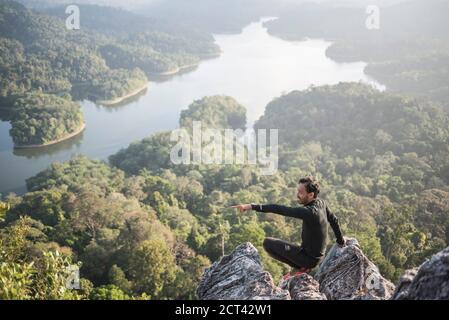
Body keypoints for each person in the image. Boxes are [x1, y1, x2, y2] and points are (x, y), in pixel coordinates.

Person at [232, 176, 345, 279]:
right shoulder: (321, 203)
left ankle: (301, 267)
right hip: (315, 257)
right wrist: (341, 241)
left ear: (311, 194)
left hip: (308, 259)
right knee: (276, 244)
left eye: (300, 192)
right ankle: (301, 268)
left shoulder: (309, 212)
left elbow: (279, 209)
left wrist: (251, 206)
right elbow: (334, 220)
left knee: (268, 243)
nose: (297, 195)